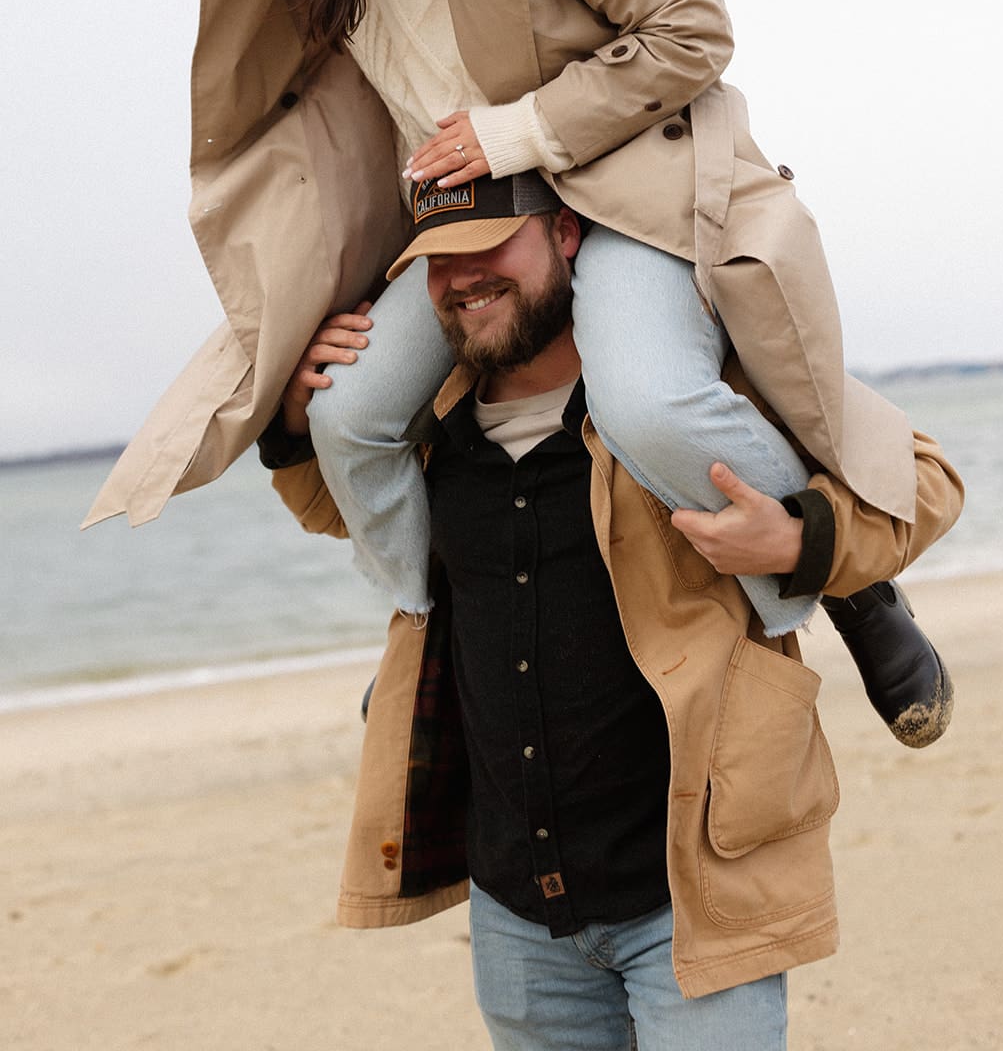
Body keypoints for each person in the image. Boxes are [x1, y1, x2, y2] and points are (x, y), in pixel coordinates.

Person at [86, 0, 935, 727]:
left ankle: (850, 580)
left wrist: (516, 131)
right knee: (346, 417)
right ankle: (433, 631)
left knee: (647, 405)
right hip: (463, 216)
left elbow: (693, 29)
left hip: (618, 171)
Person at [261, 175, 964, 1050]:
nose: (462, 276)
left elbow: (924, 479)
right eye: (437, 262)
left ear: (563, 235)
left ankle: (864, 605)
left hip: (694, 893)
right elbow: (340, 510)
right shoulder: (432, 423)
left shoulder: (692, 398)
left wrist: (794, 543)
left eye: (488, 245)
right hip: (516, 913)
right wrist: (297, 420)